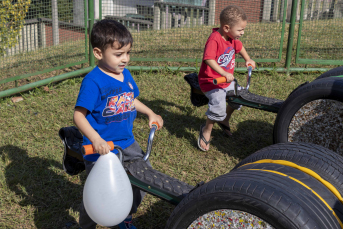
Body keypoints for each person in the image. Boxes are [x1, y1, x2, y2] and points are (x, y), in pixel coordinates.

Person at [73, 19, 163, 229]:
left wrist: (150, 112)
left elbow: (130, 99)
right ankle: (86, 226)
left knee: (142, 179)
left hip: (127, 143)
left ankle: (124, 215)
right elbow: (79, 115)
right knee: (99, 192)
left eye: (127, 53)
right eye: (118, 54)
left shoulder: (124, 74)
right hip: (101, 148)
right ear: (98, 53)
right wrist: (96, 139)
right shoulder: (93, 82)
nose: (125, 59)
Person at [197, 5, 256, 151]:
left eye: (243, 29)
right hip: (212, 82)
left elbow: (240, 47)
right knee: (218, 106)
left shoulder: (232, 38)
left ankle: (224, 119)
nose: (242, 33)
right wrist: (223, 73)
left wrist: (247, 59)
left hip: (226, 81)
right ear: (227, 28)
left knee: (240, 98)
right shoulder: (214, 40)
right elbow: (208, 59)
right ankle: (206, 130)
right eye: (240, 30)